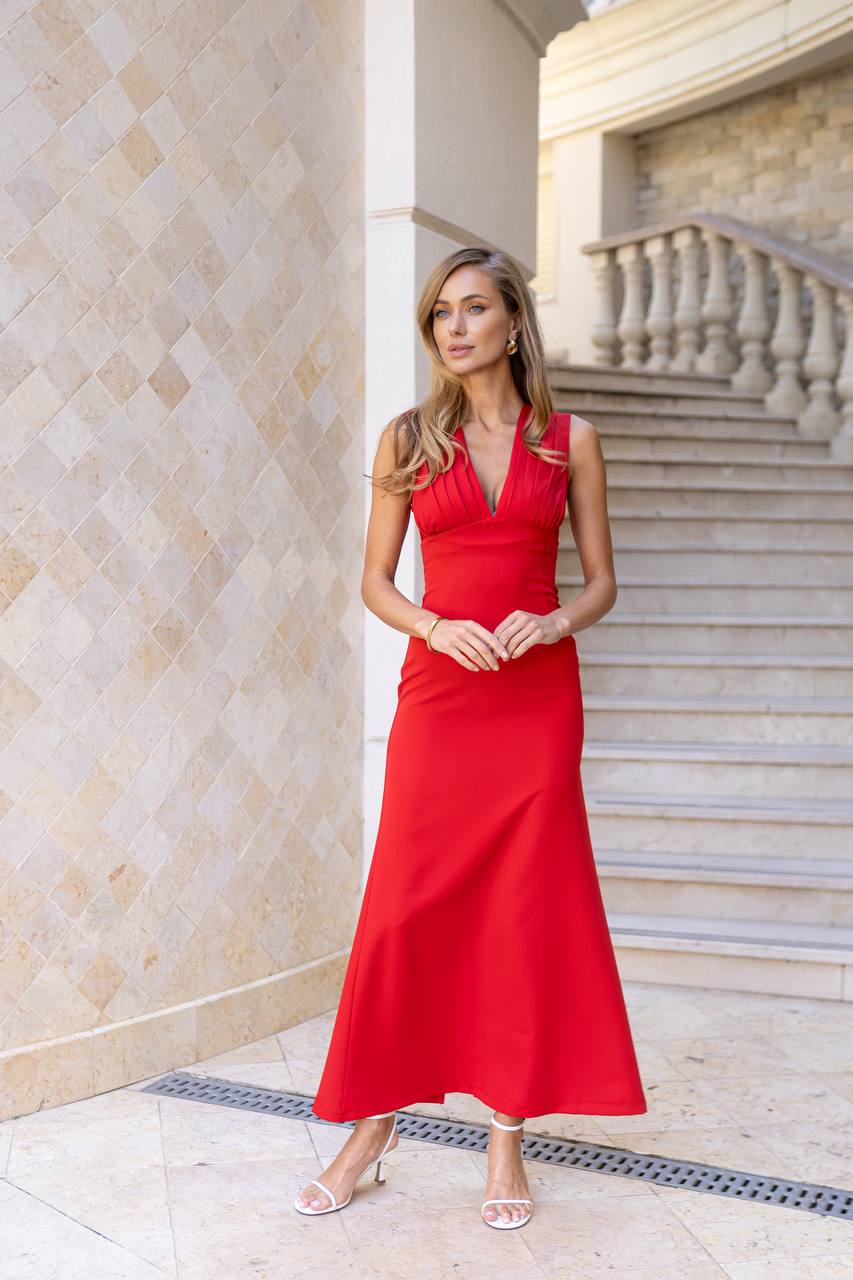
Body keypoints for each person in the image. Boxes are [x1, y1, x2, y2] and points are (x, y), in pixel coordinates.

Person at [294, 246, 647, 1228]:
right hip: (439, 700)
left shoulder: (569, 439)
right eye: (440, 312)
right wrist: (433, 625)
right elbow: (374, 579)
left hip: (536, 704)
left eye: (474, 307)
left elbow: (603, 580)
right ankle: (371, 1127)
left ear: (511, 321)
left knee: (521, 917)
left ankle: (504, 1137)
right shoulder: (407, 438)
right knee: (405, 909)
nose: (454, 327)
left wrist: (557, 620)